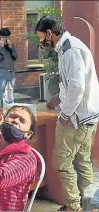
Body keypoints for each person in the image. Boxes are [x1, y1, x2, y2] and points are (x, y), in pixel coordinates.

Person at [35, 16, 99, 211]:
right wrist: (58, 97)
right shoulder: (67, 48)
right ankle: (87, 205)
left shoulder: (71, 49)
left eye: (40, 38)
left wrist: (65, 115)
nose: (40, 42)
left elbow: (77, 88)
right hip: (86, 117)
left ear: (49, 33)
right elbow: (73, 84)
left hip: (76, 118)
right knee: (82, 161)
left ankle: (73, 206)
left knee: (62, 163)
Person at [0, 27, 18, 106]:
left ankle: (9, 111)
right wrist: (1, 47)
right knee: (0, 95)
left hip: (11, 73)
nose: (6, 39)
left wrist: (11, 48)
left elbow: (15, 57)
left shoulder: (10, 45)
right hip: (1, 73)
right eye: (4, 37)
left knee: (10, 95)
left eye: (7, 37)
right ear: (0, 36)